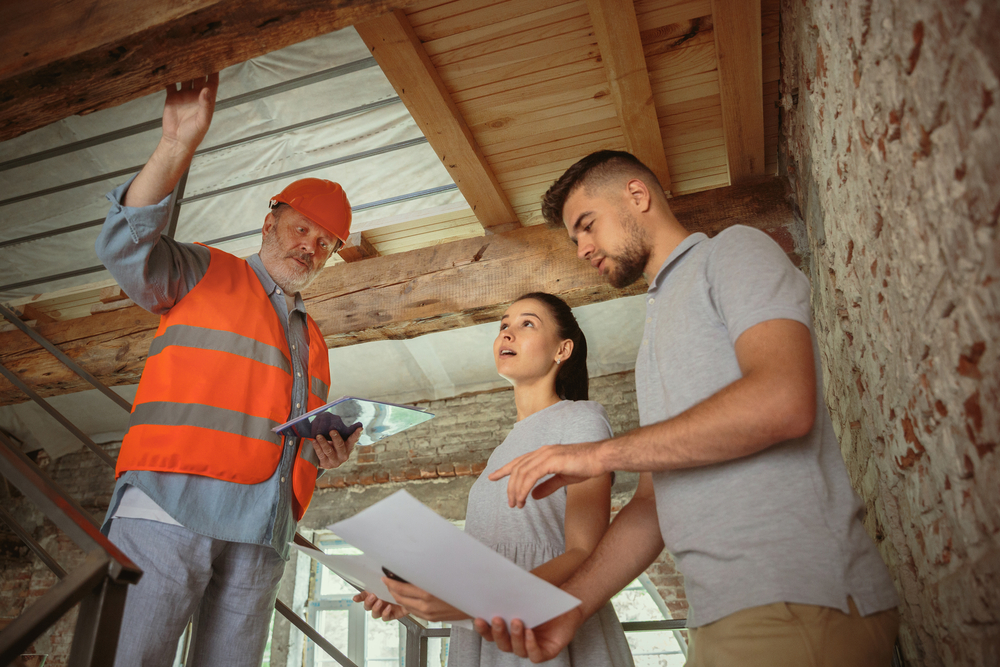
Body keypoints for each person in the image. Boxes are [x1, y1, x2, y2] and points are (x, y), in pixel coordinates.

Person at [478, 151, 901, 666]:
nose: (583, 248)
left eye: (588, 226)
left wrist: (598, 456)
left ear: (638, 196)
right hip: (716, 617)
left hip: (798, 602)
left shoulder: (733, 252)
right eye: (575, 240)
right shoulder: (651, 338)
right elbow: (654, 505)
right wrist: (572, 608)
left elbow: (783, 402)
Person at [95, 74, 362, 667]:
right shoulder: (203, 272)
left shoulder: (312, 340)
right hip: (170, 504)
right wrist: (175, 145)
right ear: (269, 224)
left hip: (263, 532)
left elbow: (283, 432)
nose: (310, 248)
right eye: (301, 229)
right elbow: (124, 245)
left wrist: (324, 449)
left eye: (326, 243)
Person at [355, 292, 634, 667]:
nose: (507, 333)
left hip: (541, 619)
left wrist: (481, 598)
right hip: (488, 625)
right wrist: (415, 591)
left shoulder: (581, 419)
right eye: (504, 325)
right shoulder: (501, 451)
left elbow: (584, 552)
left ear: (562, 349)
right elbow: (485, 558)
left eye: (526, 324)